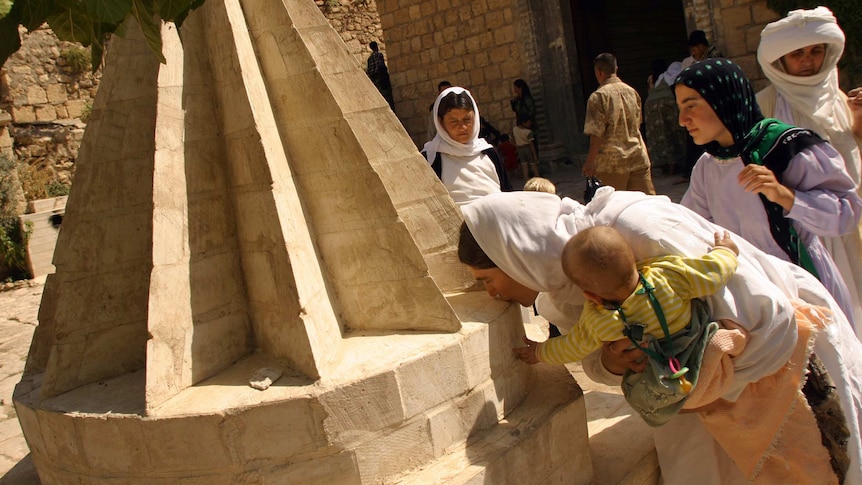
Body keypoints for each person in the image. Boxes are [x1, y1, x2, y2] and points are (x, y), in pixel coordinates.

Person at [459, 189, 862, 483]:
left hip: (782, 381)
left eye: (487, 279)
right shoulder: (564, 290)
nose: (492, 293)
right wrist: (614, 362)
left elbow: (767, 321)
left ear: (511, 254)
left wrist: (707, 383)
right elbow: (588, 353)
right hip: (697, 409)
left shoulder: (634, 233)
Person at [675, 58, 862, 337]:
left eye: (691, 105)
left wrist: (786, 197)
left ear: (723, 99)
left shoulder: (786, 146)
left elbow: (847, 212)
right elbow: (690, 226)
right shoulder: (707, 166)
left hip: (806, 288)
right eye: (680, 108)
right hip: (753, 298)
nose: (682, 120)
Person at [756, 6, 862, 328]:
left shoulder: (839, 99)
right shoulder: (766, 105)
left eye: (816, 51)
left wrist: (857, 122)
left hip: (850, 222)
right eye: (798, 53)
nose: (808, 61)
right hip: (803, 227)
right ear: (781, 61)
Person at [422, 86, 511, 206]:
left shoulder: (488, 153)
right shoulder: (431, 158)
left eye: (467, 119)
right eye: (454, 121)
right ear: (440, 122)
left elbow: (509, 194)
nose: (462, 127)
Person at [583, 53, 655, 195]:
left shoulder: (598, 97)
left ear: (599, 72)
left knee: (610, 209)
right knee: (647, 205)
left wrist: (590, 161)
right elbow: (638, 123)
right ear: (616, 68)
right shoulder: (632, 92)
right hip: (638, 157)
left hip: (612, 164)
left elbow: (596, 133)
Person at [679, 30, 722, 182]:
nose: (693, 52)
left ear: (701, 46)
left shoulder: (713, 57)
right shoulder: (697, 61)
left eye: (694, 49)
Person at [644, 61, 686, 175]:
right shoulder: (673, 74)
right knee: (676, 132)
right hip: (668, 102)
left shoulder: (653, 79)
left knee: (660, 136)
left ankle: (667, 166)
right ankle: (680, 164)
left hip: (650, 105)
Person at [510, 79, 538, 158]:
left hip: (527, 125)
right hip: (521, 126)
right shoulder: (518, 100)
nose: (515, 90)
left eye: (516, 88)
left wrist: (526, 120)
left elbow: (532, 110)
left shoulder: (527, 99)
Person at [366, 41, 394, 109]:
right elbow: (382, 66)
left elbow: (369, 69)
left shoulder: (369, 58)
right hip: (380, 76)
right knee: (385, 93)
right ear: (376, 47)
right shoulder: (379, 55)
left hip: (373, 77)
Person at [513, 114, 540, 180]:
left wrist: (516, 145)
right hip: (527, 148)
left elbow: (511, 138)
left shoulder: (515, 129)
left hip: (520, 149)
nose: (530, 123)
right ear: (524, 122)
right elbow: (531, 145)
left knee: (524, 165)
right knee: (533, 163)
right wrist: (535, 155)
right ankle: (537, 176)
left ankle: (526, 178)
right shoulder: (528, 132)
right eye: (528, 122)